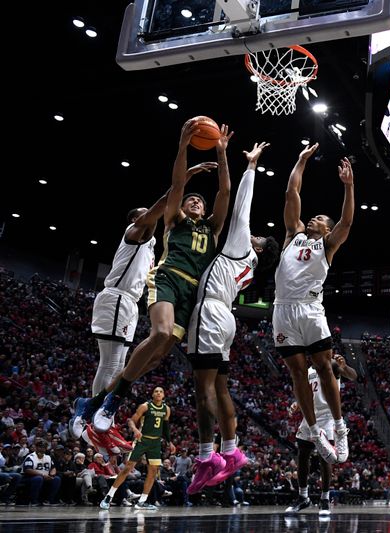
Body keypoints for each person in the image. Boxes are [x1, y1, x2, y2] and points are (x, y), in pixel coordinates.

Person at [89, 119, 233, 433]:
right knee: (160, 333)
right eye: (190, 199)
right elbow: (178, 185)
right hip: (168, 277)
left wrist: (222, 152)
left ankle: (97, 399)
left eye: (200, 201)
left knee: (156, 358)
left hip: (191, 292)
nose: (195, 200)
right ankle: (115, 401)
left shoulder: (212, 228)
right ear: (179, 206)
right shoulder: (175, 220)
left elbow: (224, 190)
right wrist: (183, 147)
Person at [185, 140, 279, 495]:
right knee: (221, 387)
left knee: (203, 388)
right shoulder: (251, 268)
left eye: (258, 238)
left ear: (259, 248)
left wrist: (251, 167)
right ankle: (231, 451)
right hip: (225, 318)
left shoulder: (241, 247)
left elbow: (242, 207)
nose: (251, 234)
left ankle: (208, 456)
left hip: (210, 313)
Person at [69, 182, 181, 446]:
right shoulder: (135, 232)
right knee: (110, 364)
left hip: (130, 303)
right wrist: (179, 183)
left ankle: (96, 413)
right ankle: (90, 415)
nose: (152, 218)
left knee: (120, 366)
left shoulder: (151, 246)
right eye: (146, 214)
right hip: (117, 297)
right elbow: (157, 211)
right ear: (136, 219)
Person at [273, 143, 354, 464]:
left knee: (323, 367)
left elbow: (346, 223)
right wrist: (300, 160)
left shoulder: (329, 244)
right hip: (282, 309)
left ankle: (338, 425)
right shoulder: (292, 234)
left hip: (309, 308)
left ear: (327, 229)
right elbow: (292, 193)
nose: (312, 218)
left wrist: (349, 186)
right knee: (296, 373)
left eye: (319, 218)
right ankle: (314, 429)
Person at [285, 353, 358, 516]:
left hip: (328, 416)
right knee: (302, 455)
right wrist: (297, 404)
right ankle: (303, 497)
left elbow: (353, 376)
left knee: (325, 458)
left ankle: (324, 499)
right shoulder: (306, 371)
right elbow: (308, 393)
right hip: (309, 414)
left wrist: (345, 367)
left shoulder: (330, 365)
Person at [99, 386, 176, 510]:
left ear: (163, 395)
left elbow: (165, 427)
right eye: (156, 391)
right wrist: (135, 430)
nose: (158, 393)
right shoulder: (145, 406)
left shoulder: (166, 409)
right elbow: (131, 420)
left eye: (161, 391)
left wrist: (169, 442)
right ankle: (109, 496)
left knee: (153, 472)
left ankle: (142, 501)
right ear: (152, 394)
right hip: (141, 440)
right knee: (127, 468)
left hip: (155, 443)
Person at [21, 439, 61, 506]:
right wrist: (42, 475)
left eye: (44, 447)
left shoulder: (48, 457)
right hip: (30, 477)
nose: (42, 449)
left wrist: (52, 474)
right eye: (40, 447)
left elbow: (53, 468)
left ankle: (49, 500)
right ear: (36, 447)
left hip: (45, 477)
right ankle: (34, 501)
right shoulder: (30, 457)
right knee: (38, 478)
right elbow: (28, 470)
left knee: (57, 479)